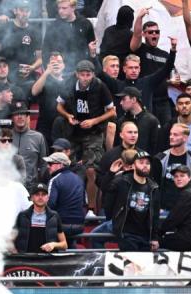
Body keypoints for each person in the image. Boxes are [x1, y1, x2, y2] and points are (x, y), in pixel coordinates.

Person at [55, 60, 116, 212]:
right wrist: (68, 115)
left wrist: (94, 121)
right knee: (70, 168)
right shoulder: (69, 83)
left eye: (88, 75)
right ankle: (72, 205)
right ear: (77, 75)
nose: (85, 78)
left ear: (93, 75)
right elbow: (58, 106)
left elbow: (112, 111)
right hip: (73, 130)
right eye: (82, 75)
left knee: (91, 170)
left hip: (94, 132)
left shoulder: (100, 86)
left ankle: (91, 208)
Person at [105, 150, 160, 251]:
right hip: (126, 234)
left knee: (144, 266)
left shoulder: (154, 187)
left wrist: (154, 237)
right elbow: (106, 193)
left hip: (145, 236)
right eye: (141, 162)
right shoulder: (122, 181)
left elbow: (155, 214)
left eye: (148, 163)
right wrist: (110, 173)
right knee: (131, 266)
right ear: (133, 165)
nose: (145, 165)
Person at [130, 9, 173, 126]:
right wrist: (139, 18)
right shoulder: (141, 49)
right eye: (150, 32)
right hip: (147, 99)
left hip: (163, 100)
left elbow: (170, 76)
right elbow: (136, 35)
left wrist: (173, 81)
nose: (154, 34)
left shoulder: (165, 54)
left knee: (165, 132)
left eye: (156, 32)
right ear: (144, 34)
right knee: (148, 130)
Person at [0, 0, 42, 85]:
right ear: (15, 11)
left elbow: (40, 58)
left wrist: (32, 67)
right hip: (5, 77)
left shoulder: (35, 32)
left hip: (26, 77)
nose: (25, 14)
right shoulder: (4, 28)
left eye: (27, 11)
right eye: (22, 10)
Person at [159, 165, 191, 251]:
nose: (178, 179)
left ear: (189, 178)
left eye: (182, 175)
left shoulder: (188, 193)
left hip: (189, 239)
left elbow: (173, 219)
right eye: (176, 176)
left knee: (153, 242)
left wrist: (158, 233)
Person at [153, 123, 191, 212]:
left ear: (185, 138)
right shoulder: (160, 158)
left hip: (186, 208)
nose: (171, 137)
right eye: (170, 134)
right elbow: (154, 185)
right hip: (164, 208)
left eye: (175, 134)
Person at [13, 183, 68, 253]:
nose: (40, 197)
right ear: (32, 198)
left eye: (43, 194)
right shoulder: (22, 216)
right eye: (37, 194)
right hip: (27, 260)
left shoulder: (54, 216)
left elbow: (64, 245)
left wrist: (53, 245)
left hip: (47, 260)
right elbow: (11, 240)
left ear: (47, 198)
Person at [44, 152, 86, 244]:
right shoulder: (79, 179)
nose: (48, 166)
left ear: (60, 165)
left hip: (61, 226)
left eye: (50, 164)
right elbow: (84, 203)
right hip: (79, 226)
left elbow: (50, 205)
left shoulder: (54, 180)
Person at [42, 0, 95, 71]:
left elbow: (92, 47)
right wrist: (49, 70)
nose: (60, 11)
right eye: (59, 8)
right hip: (60, 71)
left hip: (81, 69)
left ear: (73, 7)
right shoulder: (53, 27)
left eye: (64, 8)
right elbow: (46, 50)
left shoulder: (85, 24)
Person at [9, 101, 49, 187]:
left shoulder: (38, 137)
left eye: (23, 114)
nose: (20, 117)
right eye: (16, 114)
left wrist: (41, 185)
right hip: (8, 186)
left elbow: (43, 165)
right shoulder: (6, 137)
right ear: (12, 118)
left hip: (31, 188)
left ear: (28, 117)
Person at [30, 52, 67, 142]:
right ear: (48, 65)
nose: (56, 64)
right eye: (53, 62)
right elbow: (34, 91)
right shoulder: (44, 79)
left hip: (63, 126)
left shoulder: (68, 81)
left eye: (59, 62)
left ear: (64, 65)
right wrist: (46, 72)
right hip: (45, 128)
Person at [115, 87, 161, 154]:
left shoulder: (152, 121)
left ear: (133, 99)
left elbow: (157, 147)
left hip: (145, 162)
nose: (121, 103)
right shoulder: (121, 121)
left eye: (123, 99)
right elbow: (117, 145)